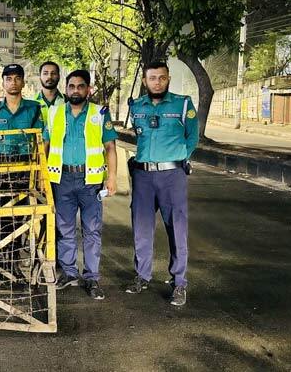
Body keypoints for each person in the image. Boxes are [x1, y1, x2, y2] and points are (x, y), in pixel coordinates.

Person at [125, 61, 198, 307]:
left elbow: (192, 137)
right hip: (143, 176)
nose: (157, 82)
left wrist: (178, 159)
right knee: (141, 228)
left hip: (172, 176)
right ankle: (142, 275)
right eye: (152, 78)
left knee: (176, 228)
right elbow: (139, 136)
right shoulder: (136, 106)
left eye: (162, 78)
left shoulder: (183, 104)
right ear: (145, 81)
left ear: (168, 79)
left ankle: (179, 283)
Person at [44, 69, 118, 300]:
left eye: (80, 86)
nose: (75, 90)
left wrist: (112, 177)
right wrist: (42, 177)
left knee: (91, 231)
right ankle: (69, 273)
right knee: (64, 229)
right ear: (66, 89)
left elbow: (110, 147)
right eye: (72, 86)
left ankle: (92, 277)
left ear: (88, 89)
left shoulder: (99, 113)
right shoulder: (54, 113)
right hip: (61, 179)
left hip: (91, 182)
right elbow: (45, 145)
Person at [0, 64, 43, 284]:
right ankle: (0, 269)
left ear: (23, 82)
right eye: (9, 79)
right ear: (3, 83)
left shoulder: (34, 108)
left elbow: (40, 141)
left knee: (20, 221)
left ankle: (14, 267)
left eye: (17, 79)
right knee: (0, 221)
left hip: (24, 169)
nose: (13, 83)